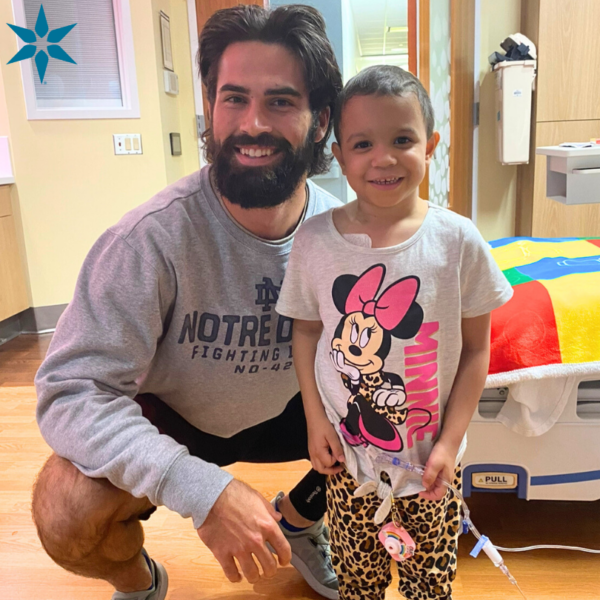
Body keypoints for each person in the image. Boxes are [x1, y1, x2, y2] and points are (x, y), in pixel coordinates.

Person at [31, 5, 343, 600]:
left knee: (407, 403)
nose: (253, 123)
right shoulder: (147, 241)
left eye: (280, 101)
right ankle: (141, 585)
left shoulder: (347, 237)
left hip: (295, 412)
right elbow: (70, 393)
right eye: (234, 98)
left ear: (320, 119)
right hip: (179, 417)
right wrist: (200, 489)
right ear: (210, 106)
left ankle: (301, 518)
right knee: (64, 511)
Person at [275, 65, 514, 600]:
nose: (383, 158)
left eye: (402, 140)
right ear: (340, 156)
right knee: (357, 584)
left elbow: (477, 349)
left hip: (432, 470)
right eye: (363, 144)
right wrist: (315, 419)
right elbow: (307, 334)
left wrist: (449, 444)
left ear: (430, 146)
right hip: (347, 465)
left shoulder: (458, 241)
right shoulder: (314, 242)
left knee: (430, 587)